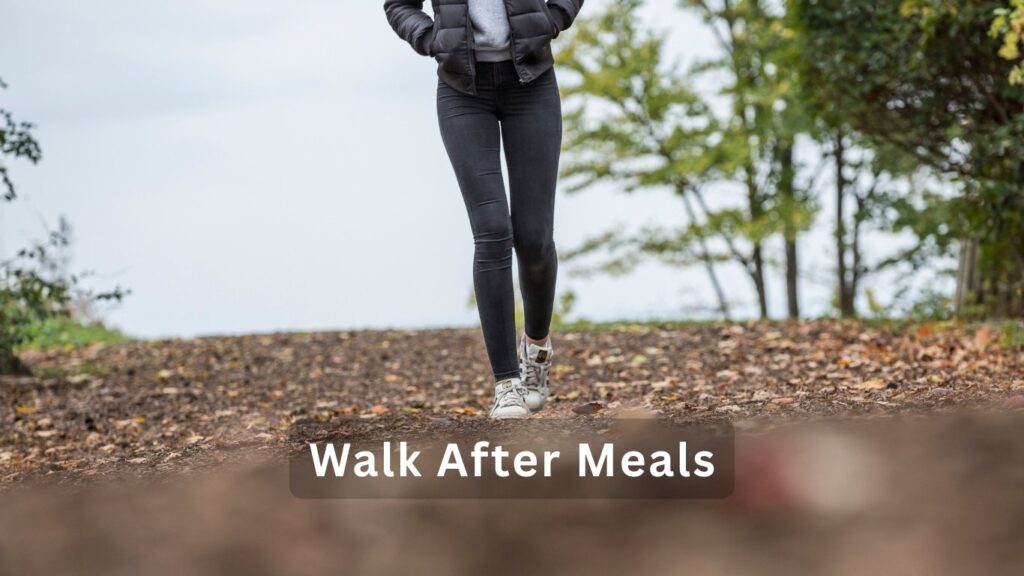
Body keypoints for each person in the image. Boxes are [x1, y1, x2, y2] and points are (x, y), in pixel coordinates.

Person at [384, 0, 584, 418]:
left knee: (533, 239)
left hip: (531, 83)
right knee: (493, 230)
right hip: (462, 90)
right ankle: (506, 383)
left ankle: (537, 347)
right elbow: (399, 4)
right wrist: (428, 36)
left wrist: (553, 18)